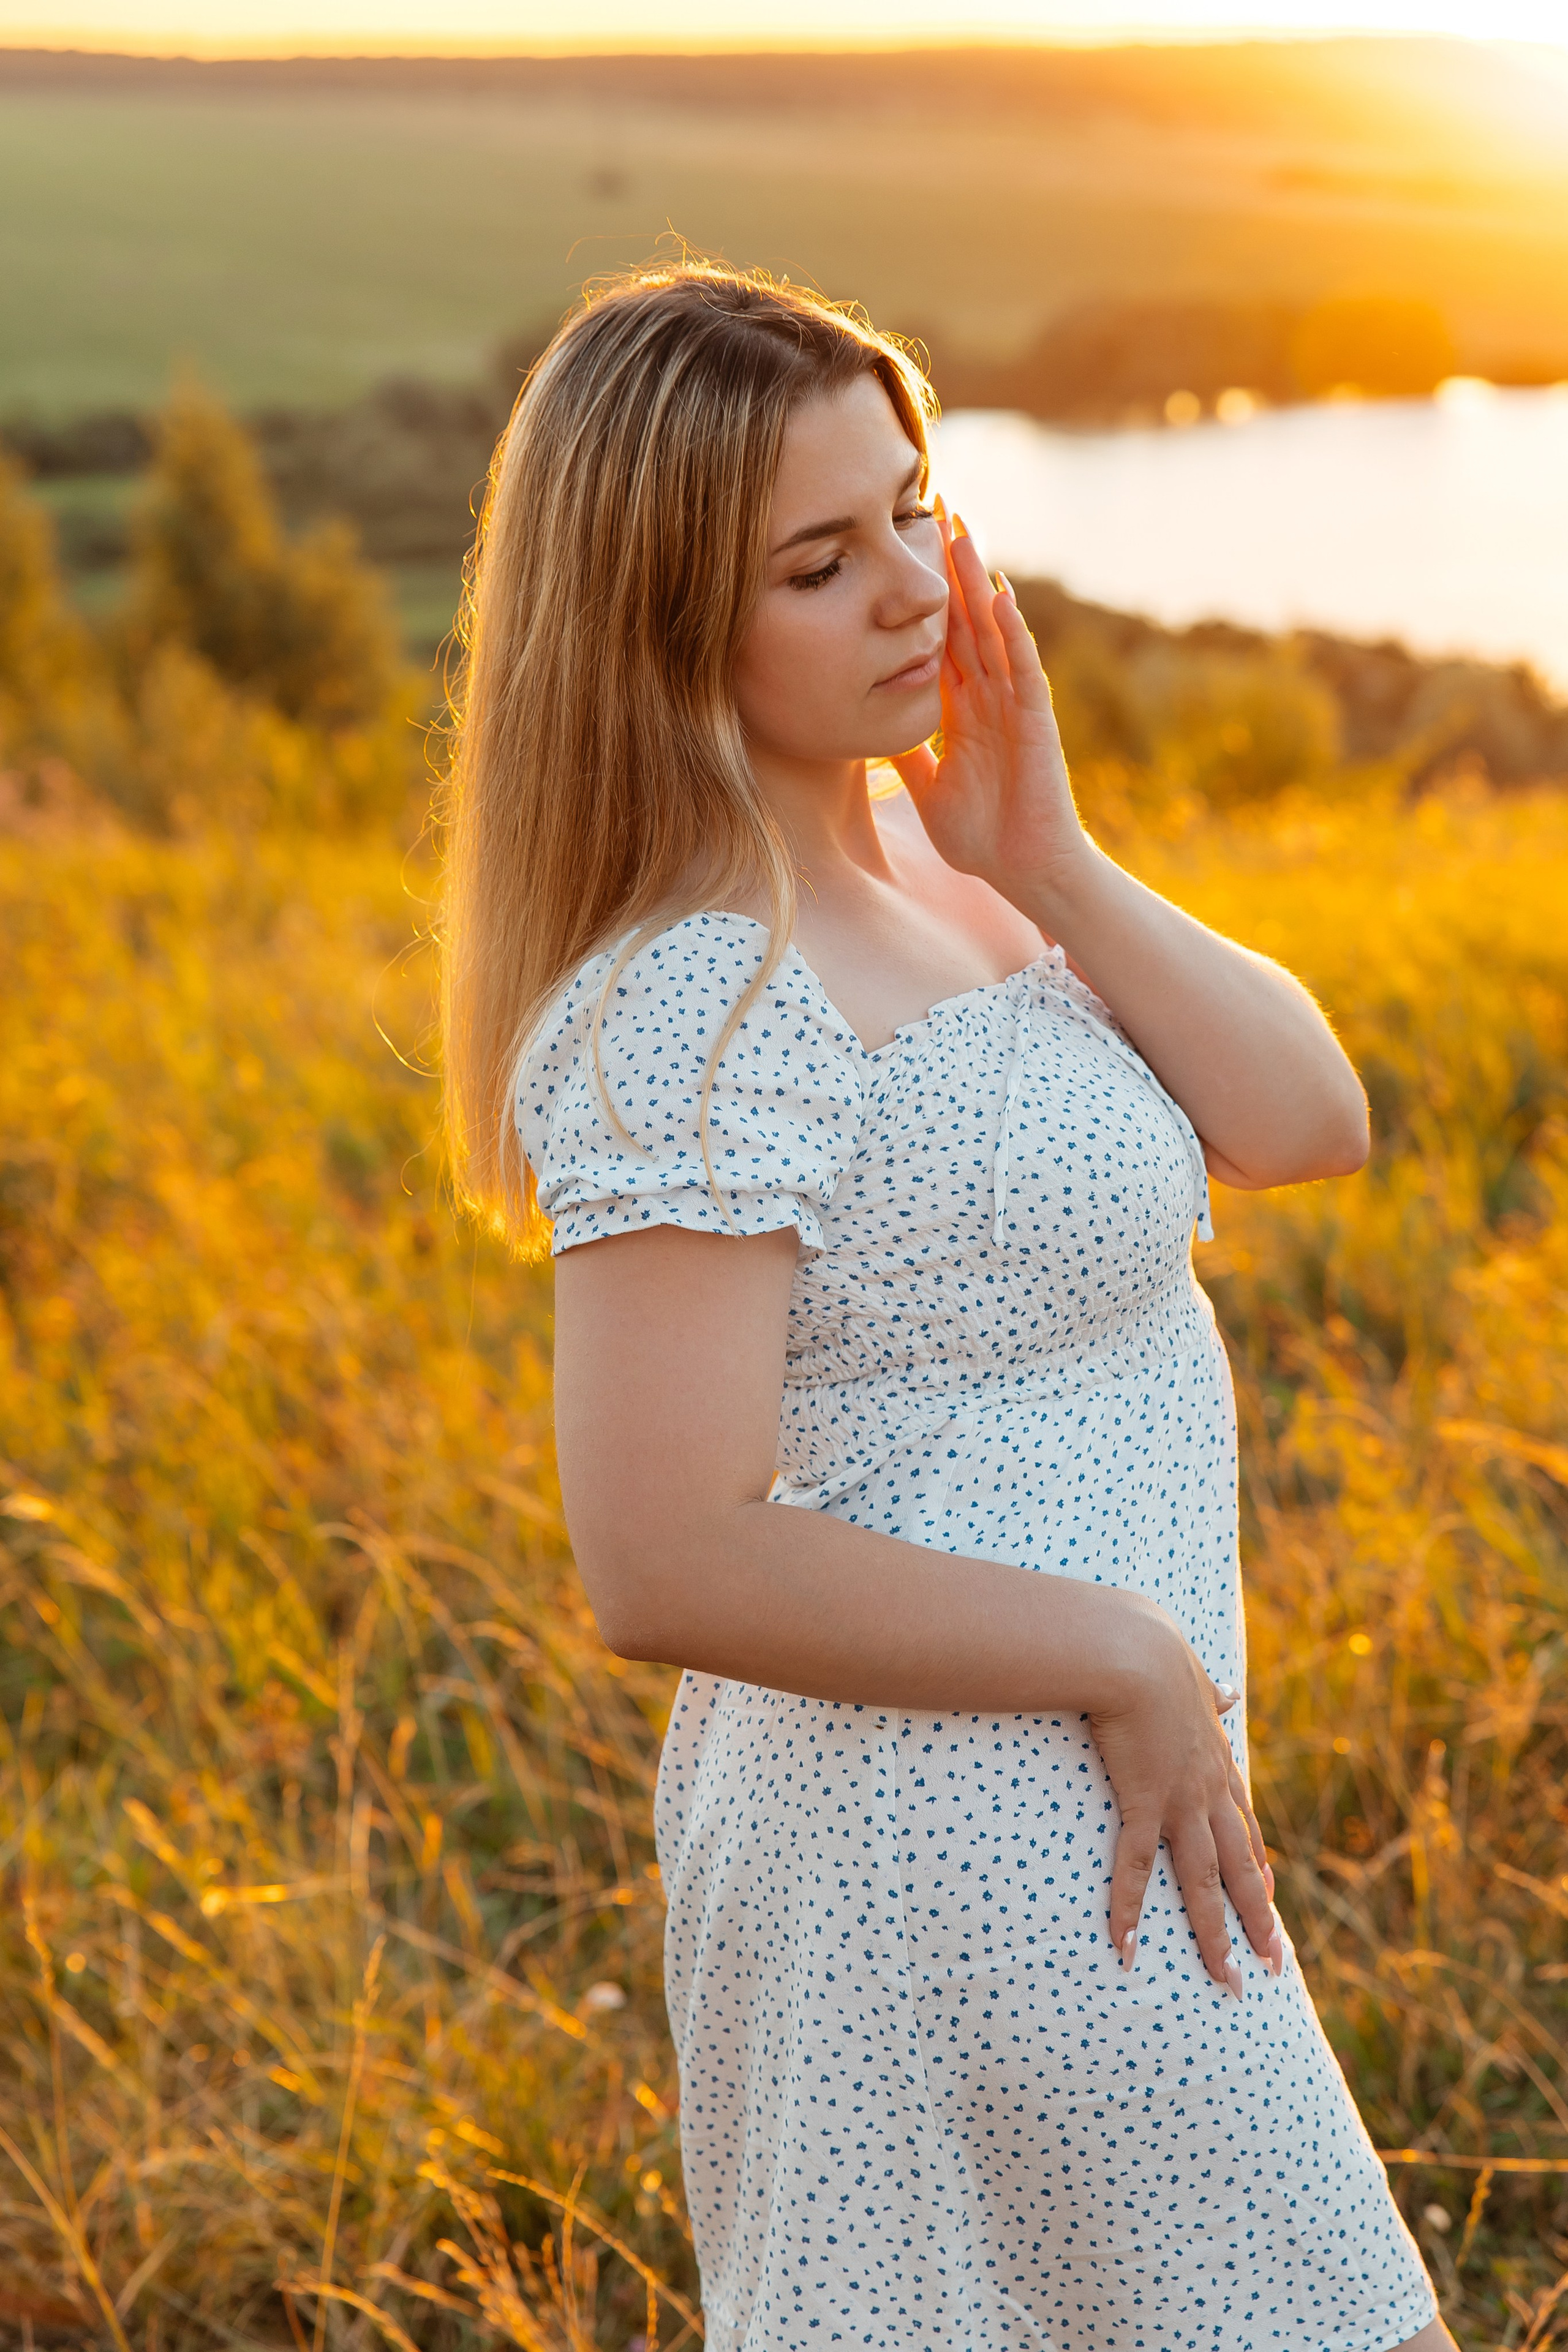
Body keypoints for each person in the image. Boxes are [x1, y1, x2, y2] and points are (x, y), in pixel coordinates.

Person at [440, 262, 1450, 2352]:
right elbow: (660, 1554)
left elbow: (1307, 1117)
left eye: (915, 507)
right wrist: (1120, 1655)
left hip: (1111, 1796)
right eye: (822, 561)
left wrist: (1054, 853)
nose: (914, 586)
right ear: (660, 623)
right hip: (933, 1844)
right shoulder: (687, 999)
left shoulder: (957, 879)